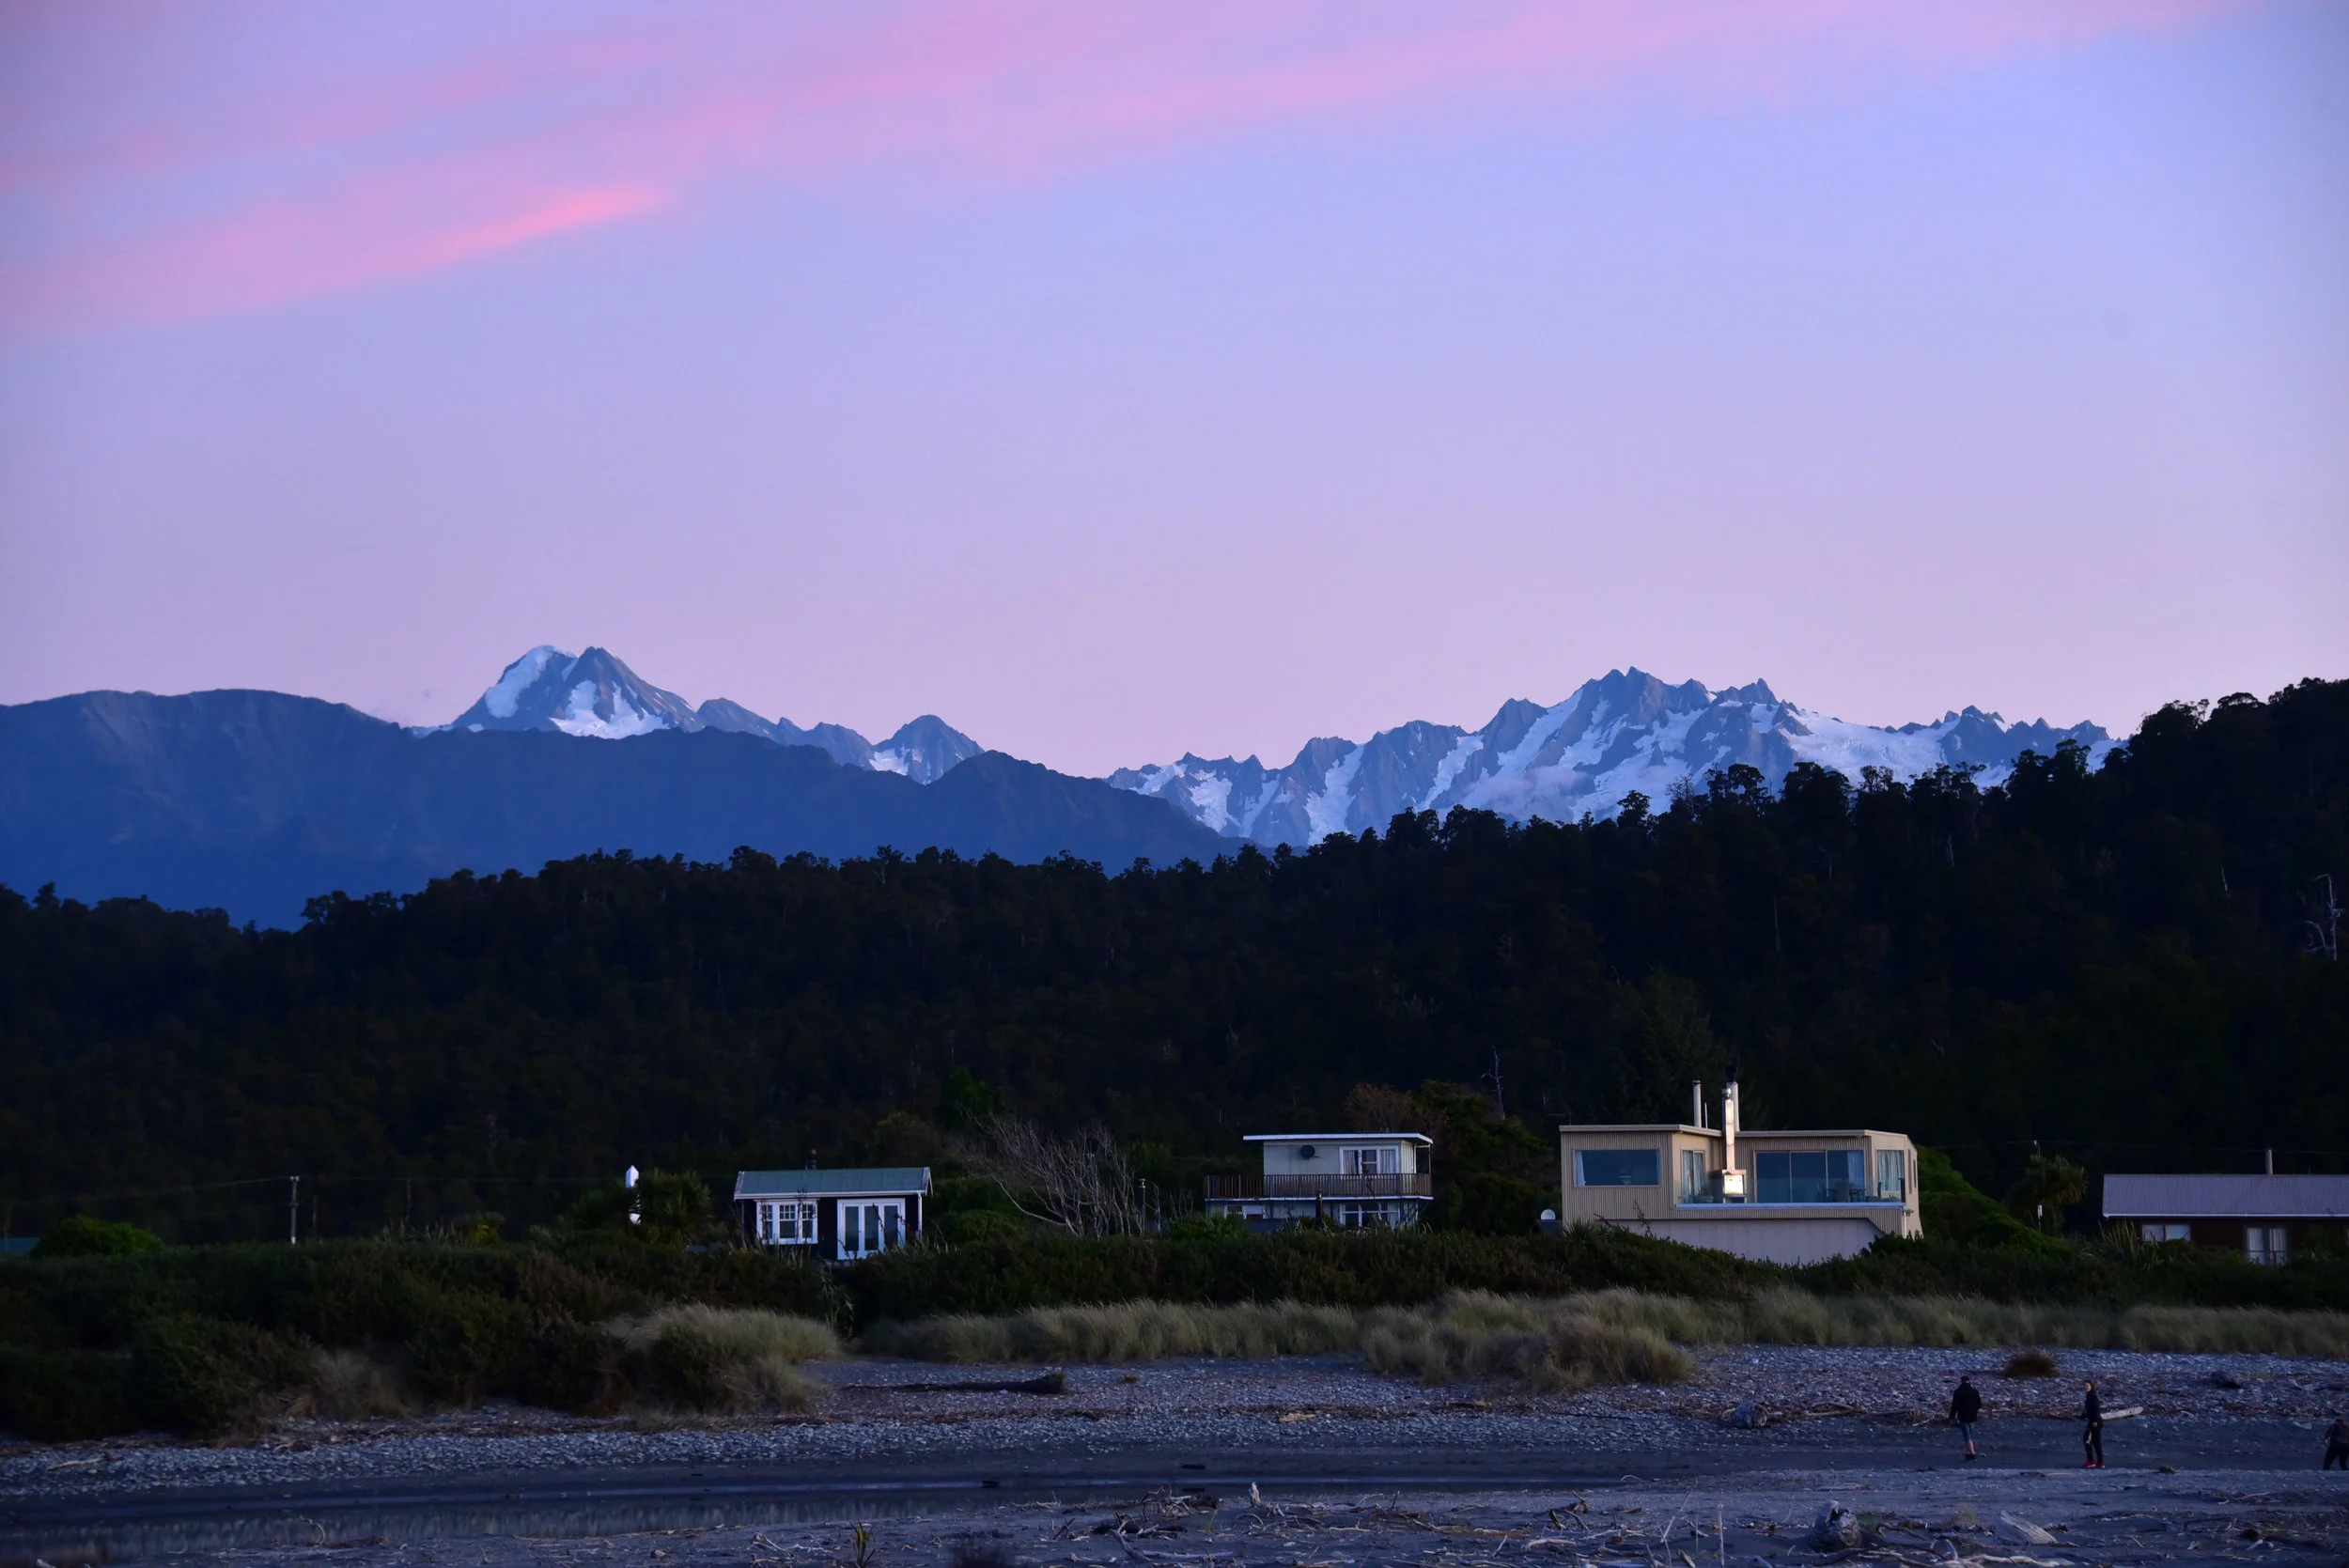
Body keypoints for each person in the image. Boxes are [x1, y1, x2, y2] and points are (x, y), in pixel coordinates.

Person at [1950, 1374, 1983, 1462]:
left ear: (1961, 1381)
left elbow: (1954, 1405)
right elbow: (1979, 1404)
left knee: (1966, 1436)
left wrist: (1952, 1417)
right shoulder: (1974, 1391)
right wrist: (1974, 1410)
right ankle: (1968, 1453)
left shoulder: (1958, 1392)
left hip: (1963, 1415)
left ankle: (1972, 1454)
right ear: (1969, 1381)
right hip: (1972, 1416)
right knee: (1970, 1435)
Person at [2080, 1380, 2105, 1468]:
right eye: (2085, 1386)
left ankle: (2092, 1461)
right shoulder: (2089, 1397)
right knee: (2094, 1442)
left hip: (2095, 1423)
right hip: (2092, 1422)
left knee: (2088, 1441)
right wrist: (2083, 1416)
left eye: (2087, 1385)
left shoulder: (2093, 1397)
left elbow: (2096, 1409)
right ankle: (2099, 1462)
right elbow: (2089, 1410)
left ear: (2091, 1387)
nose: (2086, 1387)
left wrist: (2094, 1420)